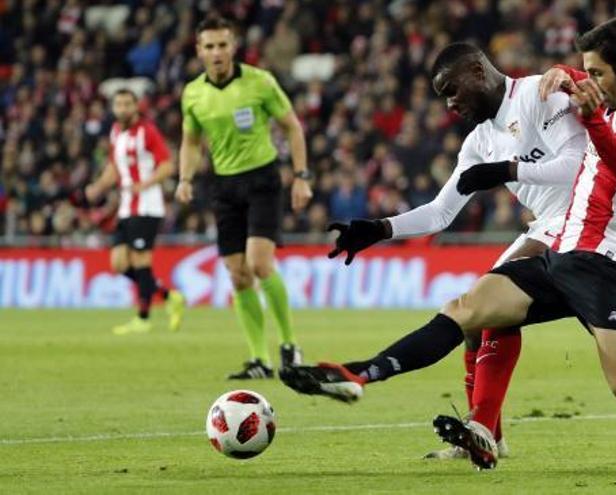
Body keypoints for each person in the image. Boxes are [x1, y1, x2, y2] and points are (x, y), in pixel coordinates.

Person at [281, 17, 616, 470]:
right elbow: (445, 207)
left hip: (603, 261)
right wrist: (380, 228)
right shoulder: (577, 100)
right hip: (557, 251)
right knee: (468, 309)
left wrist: (551, 133)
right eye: (586, 73)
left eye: (596, 73)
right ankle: (361, 374)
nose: (586, 81)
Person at [320, 42, 586, 460]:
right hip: (547, 226)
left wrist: (508, 170)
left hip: (584, 222)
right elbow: (441, 212)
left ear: (478, 72)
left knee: (481, 307)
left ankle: (478, 426)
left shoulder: (540, 94)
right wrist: (380, 228)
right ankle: (486, 434)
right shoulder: (480, 141)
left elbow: (578, 163)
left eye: (451, 90)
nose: (449, 104)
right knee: (474, 322)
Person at [176, 16, 312, 379]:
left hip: (262, 179)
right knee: (237, 275)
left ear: (233, 46)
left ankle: (289, 345)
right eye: (210, 46)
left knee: (259, 263)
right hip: (223, 185)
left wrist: (301, 176)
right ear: (199, 51)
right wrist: (185, 177)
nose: (217, 52)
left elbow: (292, 128)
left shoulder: (260, 82)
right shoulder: (193, 94)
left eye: (223, 45)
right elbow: (190, 141)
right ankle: (259, 360)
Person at [85, 89, 185, 335]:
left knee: (141, 261)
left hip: (148, 205)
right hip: (126, 206)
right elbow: (114, 168)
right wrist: (98, 187)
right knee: (119, 263)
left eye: (127, 104)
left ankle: (143, 318)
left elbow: (167, 164)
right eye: (118, 104)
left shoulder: (147, 131)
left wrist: (146, 184)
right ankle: (169, 296)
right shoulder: (116, 133)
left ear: (136, 106)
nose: (122, 108)